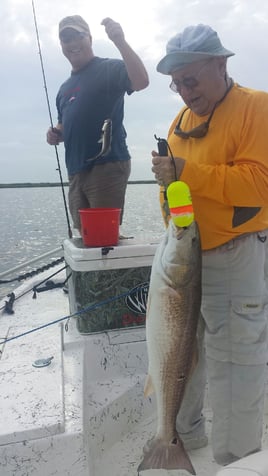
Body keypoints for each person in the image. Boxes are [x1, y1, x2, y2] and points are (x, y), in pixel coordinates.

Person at [151, 24, 268, 466]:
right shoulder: (179, 122)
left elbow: (261, 184)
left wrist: (184, 171)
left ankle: (238, 462)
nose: (183, 91)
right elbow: (173, 187)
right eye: (176, 83)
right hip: (183, 257)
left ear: (221, 65)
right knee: (184, 355)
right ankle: (182, 440)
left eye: (191, 79)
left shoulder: (256, 108)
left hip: (235, 254)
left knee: (235, 362)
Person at [47, 15, 149, 233]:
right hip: (75, 170)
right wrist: (56, 132)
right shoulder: (64, 89)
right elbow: (64, 124)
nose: (72, 44)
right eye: (66, 39)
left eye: (78, 36)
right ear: (61, 45)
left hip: (106, 165)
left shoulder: (108, 68)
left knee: (103, 235)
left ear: (90, 38)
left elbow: (141, 81)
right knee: (85, 235)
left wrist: (119, 41)